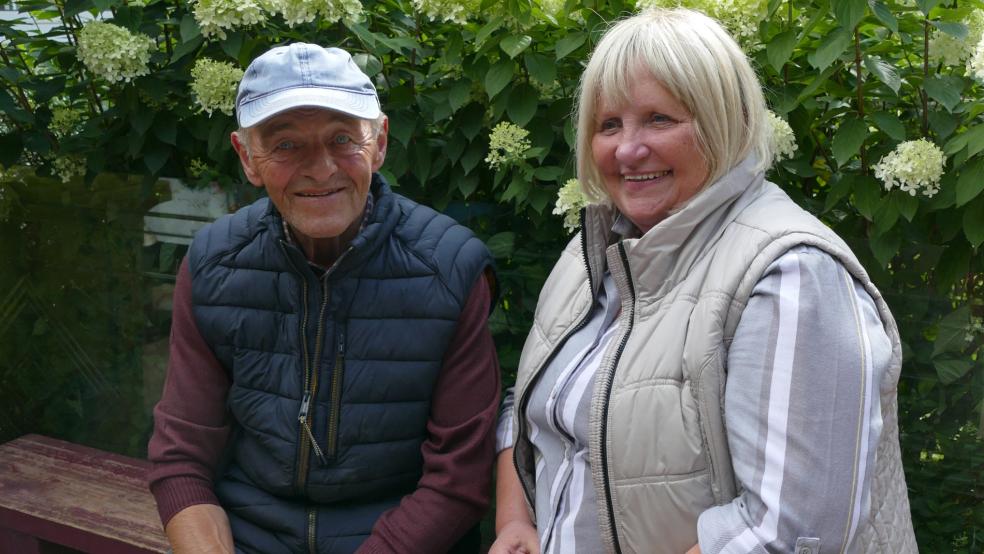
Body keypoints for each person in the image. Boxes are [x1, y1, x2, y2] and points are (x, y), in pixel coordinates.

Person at [491, 9, 917, 554]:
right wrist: (515, 522)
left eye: (659, 119)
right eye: (609, 124)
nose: (627, 149)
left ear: (727, 121)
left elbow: (785, 533)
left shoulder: (790, 274)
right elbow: (531, 404)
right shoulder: (591, 252)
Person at [147, 43, 500, 554]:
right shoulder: (213, 262)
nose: (321, 168)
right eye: (286, 145)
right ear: (247, 158)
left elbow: (458, 481)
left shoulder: (450, 268)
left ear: (379, 143)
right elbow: (182, 457)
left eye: (342, 139)